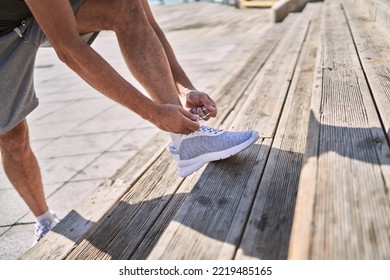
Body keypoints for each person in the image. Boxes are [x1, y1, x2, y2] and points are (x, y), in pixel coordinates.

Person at [0, 0, 259, 245]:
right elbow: (68, 49)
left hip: (33, 14)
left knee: (125, 7)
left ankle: (189, 139)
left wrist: (183, 90)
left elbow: (148, 23)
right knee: (12, 137)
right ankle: (45, 220)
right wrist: (154, 113)